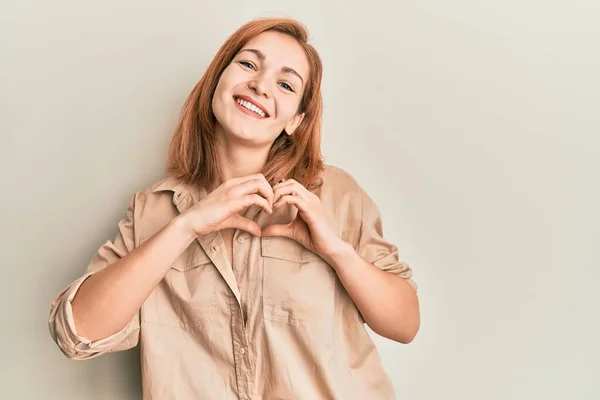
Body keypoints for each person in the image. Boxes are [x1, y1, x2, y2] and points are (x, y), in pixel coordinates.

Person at [48, 17, 420, 400]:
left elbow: (405, 324)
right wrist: (186, 226)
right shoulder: (153, 209)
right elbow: (77, 333)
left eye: (286, 84)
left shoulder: (336, 194)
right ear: (217, 80)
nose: (260, 85)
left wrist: (336, 252)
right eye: (248, 64)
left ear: (296, 119)